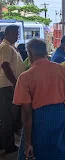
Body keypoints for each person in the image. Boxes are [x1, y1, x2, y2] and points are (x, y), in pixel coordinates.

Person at [13, 39, 65, 160]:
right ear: (45, 52)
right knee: (62, 151)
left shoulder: (25, 77)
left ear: (30, 54)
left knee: (38, 153)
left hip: (38, 119)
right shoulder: (61, 70)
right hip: (60, 116)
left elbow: (27, 113)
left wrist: (28, 143)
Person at [0, 25, 25, 154]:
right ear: (8, 34)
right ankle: (8, 146)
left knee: (8, 116)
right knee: (7, 117)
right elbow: (5, 65)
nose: (17, 36)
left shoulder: (9, 47)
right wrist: (15, 83)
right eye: (16, 34)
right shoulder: (5, 47)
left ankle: (5, 143)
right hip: (6, 86)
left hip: (8, 86)